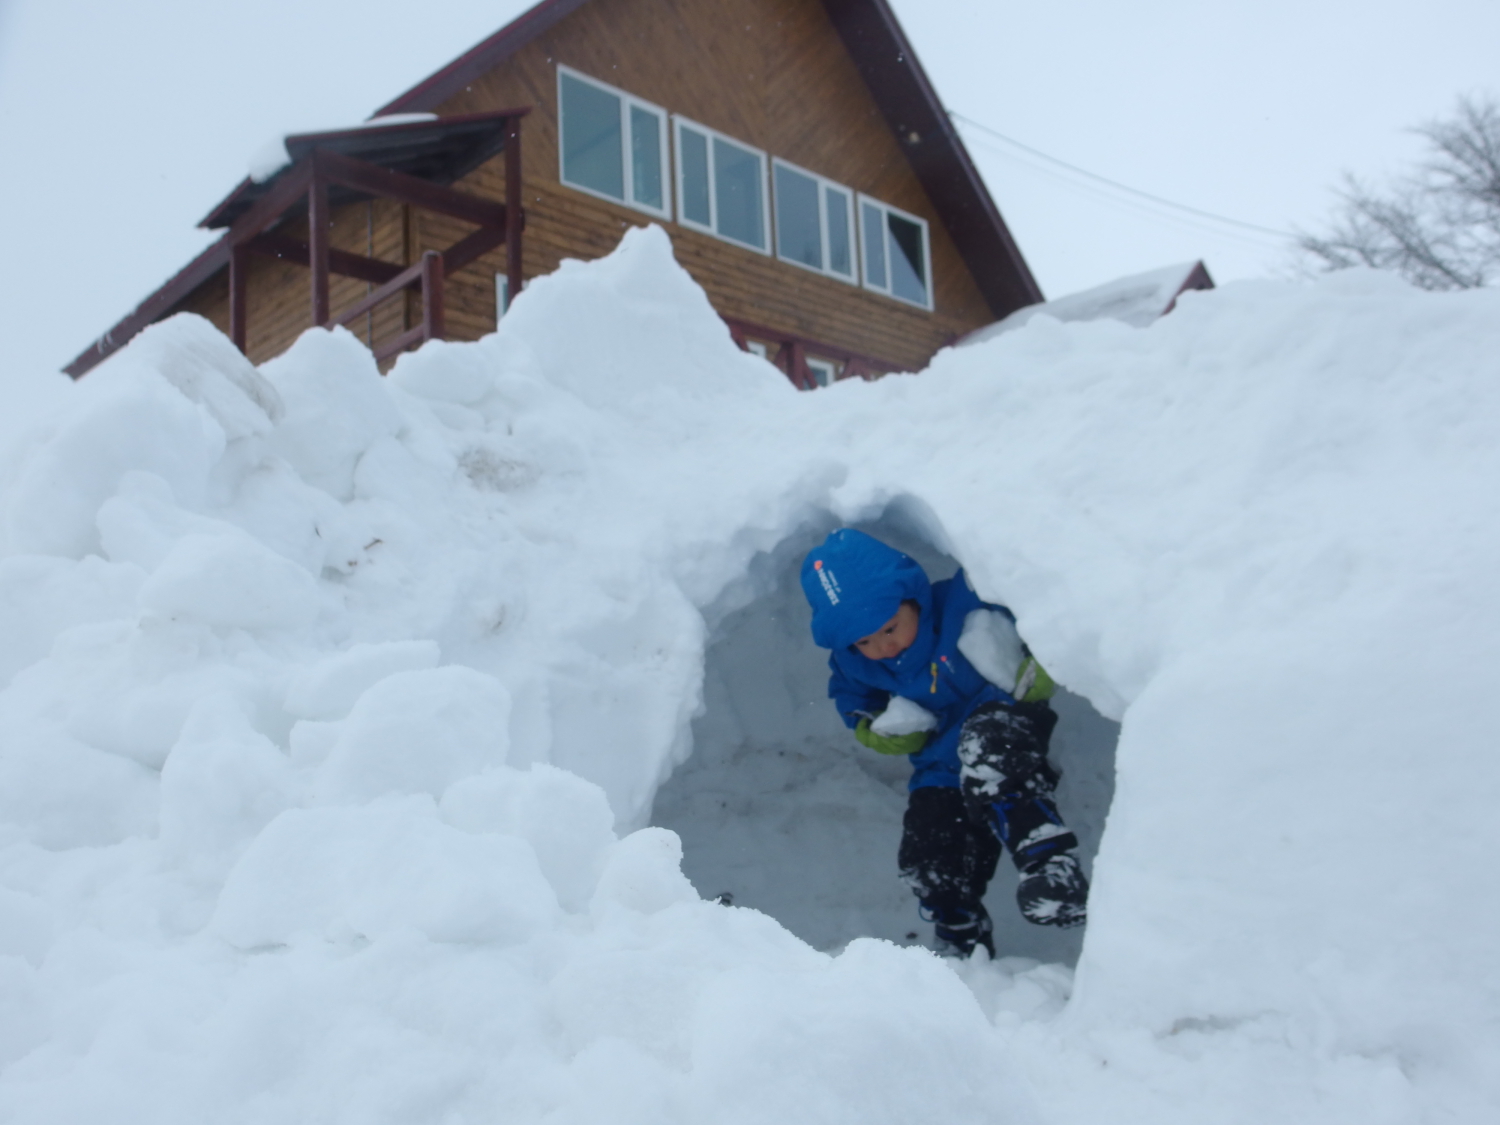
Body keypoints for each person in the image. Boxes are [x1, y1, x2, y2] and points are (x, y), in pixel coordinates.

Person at [799, 528, 1089, 957]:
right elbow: (853, 700)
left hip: (1006, 729)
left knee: (988, 753)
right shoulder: (856, 665)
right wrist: (877, 729)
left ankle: (1051, 868)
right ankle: (960, 936)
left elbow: (1039, 606)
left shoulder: (964, 603)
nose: (882, 646)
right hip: (941, 766)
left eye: (889, 628)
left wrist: (1046, 658)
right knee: (927, 854)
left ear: (912, 596)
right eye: (864, 642)